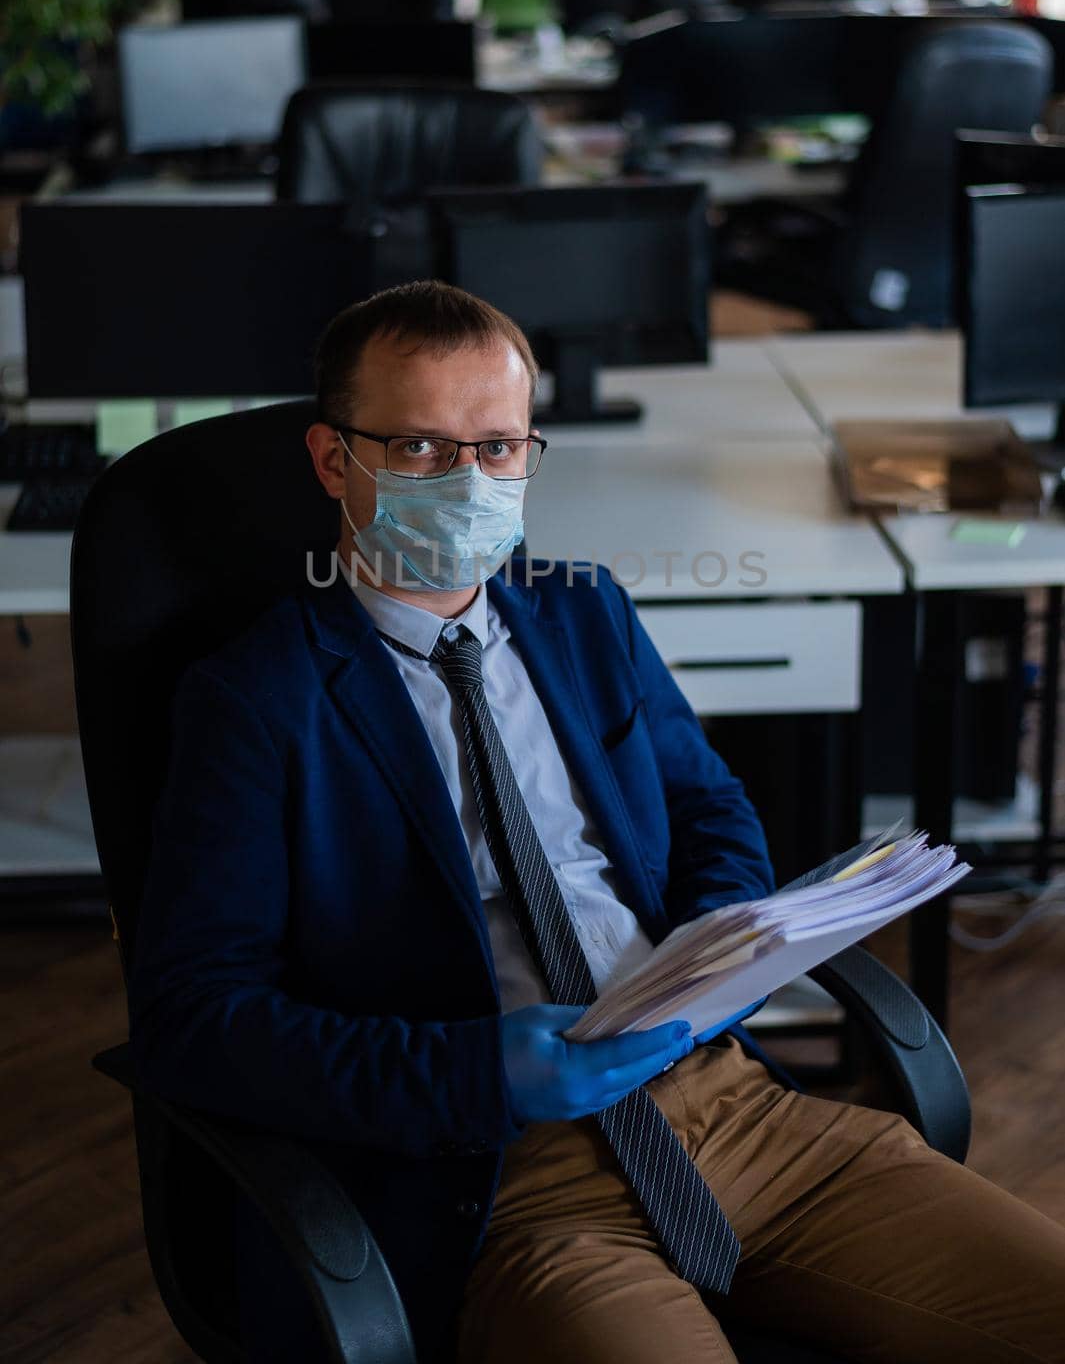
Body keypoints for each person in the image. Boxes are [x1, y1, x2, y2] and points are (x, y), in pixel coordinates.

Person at [129, 280, 1065, 1364]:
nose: (470, 481)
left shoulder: (582, 610)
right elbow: (194, 1019)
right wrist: (475, 1074)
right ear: (337, 461)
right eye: (425, 449)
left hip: (736, 1106)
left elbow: (708, 805)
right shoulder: (257, 699)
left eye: (499, 448)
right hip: (509, 1180)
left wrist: (719, 949)